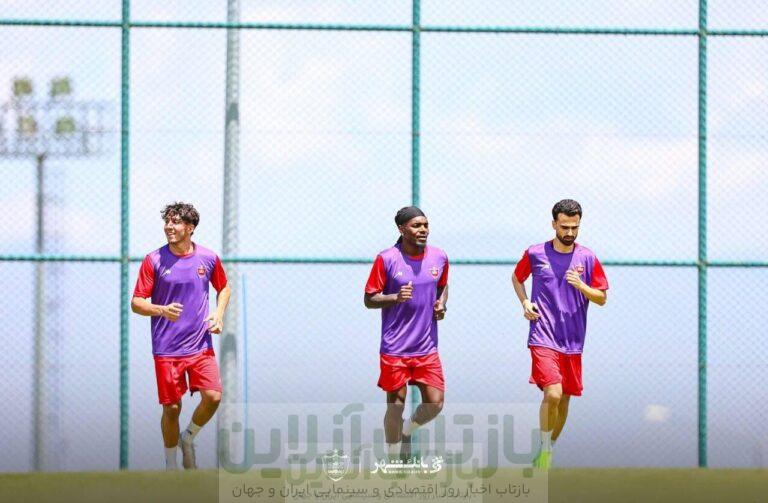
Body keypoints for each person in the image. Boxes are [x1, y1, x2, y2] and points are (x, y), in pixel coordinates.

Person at [131, 202, 231, 470]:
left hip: (200, 346)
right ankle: (171, 466)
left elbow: (224, 288)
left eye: (175, 222)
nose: (168, 227)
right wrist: (161, 309)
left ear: (190, 228)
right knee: (172, 408)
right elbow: (136, 303)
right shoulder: (153, 260)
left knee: (213, 397)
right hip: (166, 349)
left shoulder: (208, 258)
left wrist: (219, 314)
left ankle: (188, 439)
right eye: (167, 222)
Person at [511, 199, 608, 469]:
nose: (570, 232)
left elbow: (601, 298)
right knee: (553, 394)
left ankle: (549, 447)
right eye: (564, 227)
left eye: (575, 227)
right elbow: (517, 278)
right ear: (554, 224)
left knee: (564, 399)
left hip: (573, 340)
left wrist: (581, 286)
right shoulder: (535, 253)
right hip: (542, 335)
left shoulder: (587, 257)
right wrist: (525, 302)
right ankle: (543, 447)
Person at [364, 206, 449, 461]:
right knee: (396, 405)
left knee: (435, 403)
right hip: (395, 348)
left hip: (426, 346)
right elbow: (369, 298)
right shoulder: (387, 258)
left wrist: (441, 303)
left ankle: (406, 431)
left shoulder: (440, 257)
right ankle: (394, 459)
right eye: (416, 225)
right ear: (402, 229)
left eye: (426, 225)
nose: (423, 230)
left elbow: (442, 285)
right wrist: (395, 297)